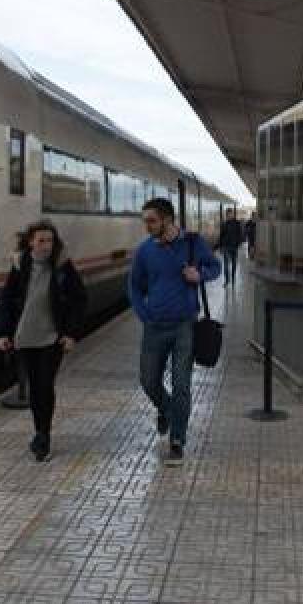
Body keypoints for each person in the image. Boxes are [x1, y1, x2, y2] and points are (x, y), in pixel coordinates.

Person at [128, 197, 221, 465]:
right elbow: (134, 286)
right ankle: (167, 410)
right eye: (145, 221)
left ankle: (177, 439)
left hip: (185, 326)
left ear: (168, 219)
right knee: (148, 381)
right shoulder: (144, 251)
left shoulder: (193, 243)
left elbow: (215, 268)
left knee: (182, 384)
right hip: (154, 326)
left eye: (152, 221)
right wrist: (144, 314)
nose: (147, 226)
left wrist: (199, 275)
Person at [0, 220, 87, 461]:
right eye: (41, 240)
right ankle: (39, 430)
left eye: (50, 240)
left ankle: (43, 435)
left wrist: (71, 333)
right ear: (30, 242)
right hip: (25, 337)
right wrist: (3, 333)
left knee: (45, 385)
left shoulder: (62, 266)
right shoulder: (19, 266)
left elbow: (79, 299)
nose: (46, 245)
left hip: (51, 338)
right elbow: (6, 301)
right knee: (35, 388)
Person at [216, 207, 244, 286]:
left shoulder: (237, 223)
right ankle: (227, 280)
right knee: (226, 264)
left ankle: (233, 277)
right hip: (226, 247)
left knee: (234, 263)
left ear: (232, 214)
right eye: (227, 214)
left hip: (234, 247)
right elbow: (221, 236)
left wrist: (239, 243)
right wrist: (220, 246)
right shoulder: (224, 224)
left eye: (229, 214)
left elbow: (240, 234)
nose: (228, 216)